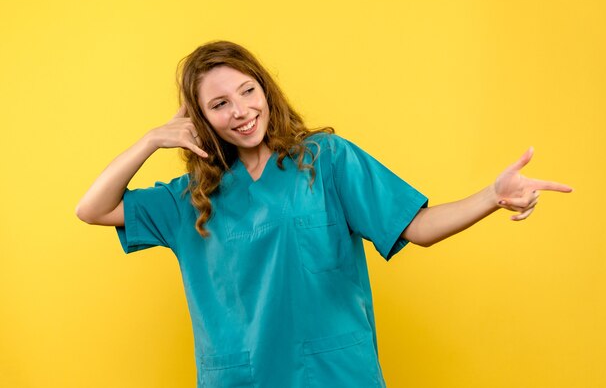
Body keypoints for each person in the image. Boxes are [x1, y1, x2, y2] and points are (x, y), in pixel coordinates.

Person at [75, 40, 572, 388]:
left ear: (265, 89)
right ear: (200, 119)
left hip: (335, 376)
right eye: (219, 104)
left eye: (248, 90)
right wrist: (149, 140)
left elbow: (418, 228)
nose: (242, 110)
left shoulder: (326, 160)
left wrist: (492, 195)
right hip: (241, 378)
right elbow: (92, 209)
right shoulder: (192, 198)